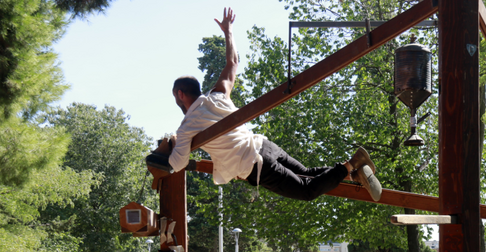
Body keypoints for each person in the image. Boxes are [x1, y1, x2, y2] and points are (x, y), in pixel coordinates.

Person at [146, 8, 382, 203]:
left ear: (180, 94)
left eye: (176, 98)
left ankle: (352, 163)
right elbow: (233, 63)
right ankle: (350, 172)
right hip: (264, 145)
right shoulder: (217, 95)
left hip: (256, 165)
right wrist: (228, 32)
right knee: (308, 173)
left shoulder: (188, 125)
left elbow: (177, 164)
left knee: (306, 190)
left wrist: (163, 153)